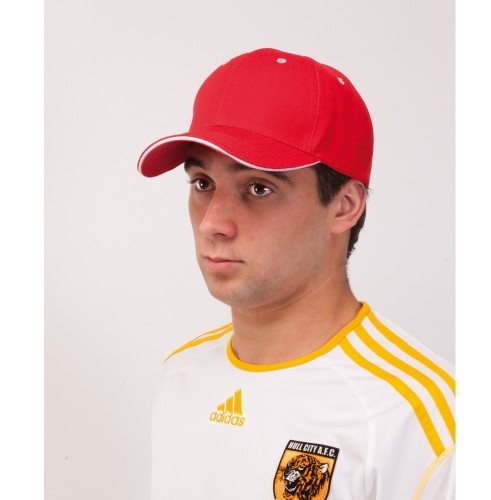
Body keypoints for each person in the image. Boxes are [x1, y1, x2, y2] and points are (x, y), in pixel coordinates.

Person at [137, 48, 455, 500]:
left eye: (258, 188)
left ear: (344, 206)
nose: (212, 222)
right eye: (202, 183)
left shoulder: (419, 422)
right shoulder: (181, 376)